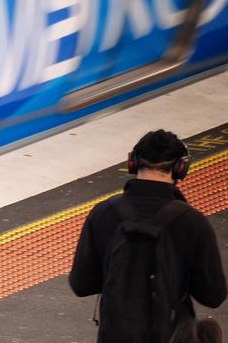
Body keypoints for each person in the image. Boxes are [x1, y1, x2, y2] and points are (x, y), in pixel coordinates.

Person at [69, 129, 226, 342]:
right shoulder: (192, 221)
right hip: (171, 334)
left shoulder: (104, 212)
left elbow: (81, 284)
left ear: (132, 163)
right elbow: (213, 295)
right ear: (181, 168)